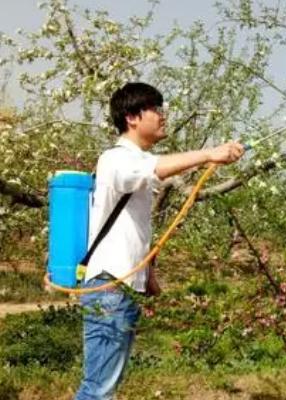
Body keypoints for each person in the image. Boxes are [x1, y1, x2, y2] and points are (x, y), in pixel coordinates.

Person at [75, 82, 244, 399]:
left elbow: (130, 227)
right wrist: (209, 153)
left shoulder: (134, 160)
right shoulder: (115, 159)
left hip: (122, 285)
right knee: (98, 388)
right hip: (109, 286)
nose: (163, 116)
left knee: (105, 386)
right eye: (156, 109)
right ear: (132, 118)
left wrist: (147, 275)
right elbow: (149, 170)